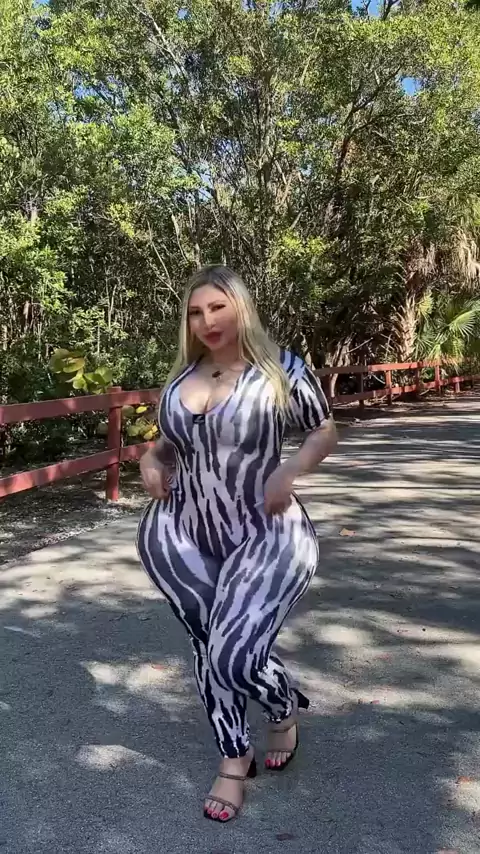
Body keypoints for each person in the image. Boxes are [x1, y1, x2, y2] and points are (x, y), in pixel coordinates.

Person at [137, 265, 337, 823]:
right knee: (208, 646)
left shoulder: (281, 370)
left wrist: (290, 470)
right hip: (183, 533)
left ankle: (281, 704)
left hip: (266, 530)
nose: (207, 321)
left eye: (218, 307)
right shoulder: (183, 376)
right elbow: (168, 444)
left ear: (241, 308)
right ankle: (233, 756)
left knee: (234, 654)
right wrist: (151, 459)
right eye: (195, 312)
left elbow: (323, 428)